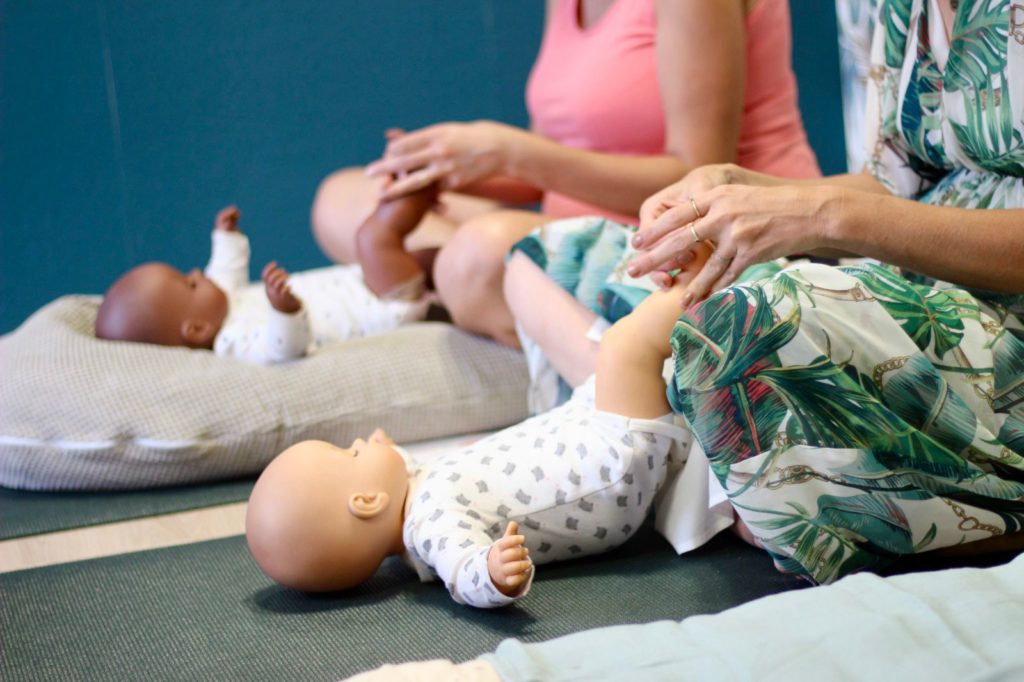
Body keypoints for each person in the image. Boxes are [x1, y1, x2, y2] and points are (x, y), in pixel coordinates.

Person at [571, 0, 1024, 583]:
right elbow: (898, 182)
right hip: (914, 286)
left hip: (1002, 322)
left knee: (742, 327)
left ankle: (701, 462)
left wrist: (821, 214)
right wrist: (736, 189)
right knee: (580, 259)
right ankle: (730, 474)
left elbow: (850, 214)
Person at [312, 0, 820, 347]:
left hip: (702, 246)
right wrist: (448, 167)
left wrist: (510, 152)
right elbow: (554, 159)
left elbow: (700, 180)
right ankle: (455, 289)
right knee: (342, 199)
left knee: (480, 253)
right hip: (585, 223)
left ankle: (446, 285)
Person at [245, 279, 735, 606]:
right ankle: (715, 287)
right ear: (368, 502)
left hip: (581, 434)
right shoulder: (429, 525)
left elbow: (402, 467)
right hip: (604, 471)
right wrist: (493, 573)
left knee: (622, 351)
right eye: (350, 453)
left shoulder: (415, 491)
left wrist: (381, 453)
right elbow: (462, 570)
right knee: (624, 347)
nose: (359, 441)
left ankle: (689, 290)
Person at [95, 200, 432, 365]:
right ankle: (418, 185)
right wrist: (285, 312)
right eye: (189, 284)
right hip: (381, 306)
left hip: (362, 282)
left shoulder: (222, 300)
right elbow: (281, 348)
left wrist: (225, 236)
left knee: (427, 258)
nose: (197, 273)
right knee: (373, 239)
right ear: (197, 330)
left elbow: (224, 269)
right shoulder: (233, 341)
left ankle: (417, 183)